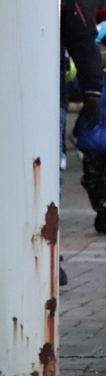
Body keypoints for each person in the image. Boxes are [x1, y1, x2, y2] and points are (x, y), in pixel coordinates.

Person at [0, 0, 102, 244]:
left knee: (45, 173)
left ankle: (46, 246)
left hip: (47, 96)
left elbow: (83, 40)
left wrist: (92, 92)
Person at [75, 39, 106, 234]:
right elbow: (72, 90)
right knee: (93, 180)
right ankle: (102, 209)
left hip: (94, 138)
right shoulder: (91, 77)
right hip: (93, 141)